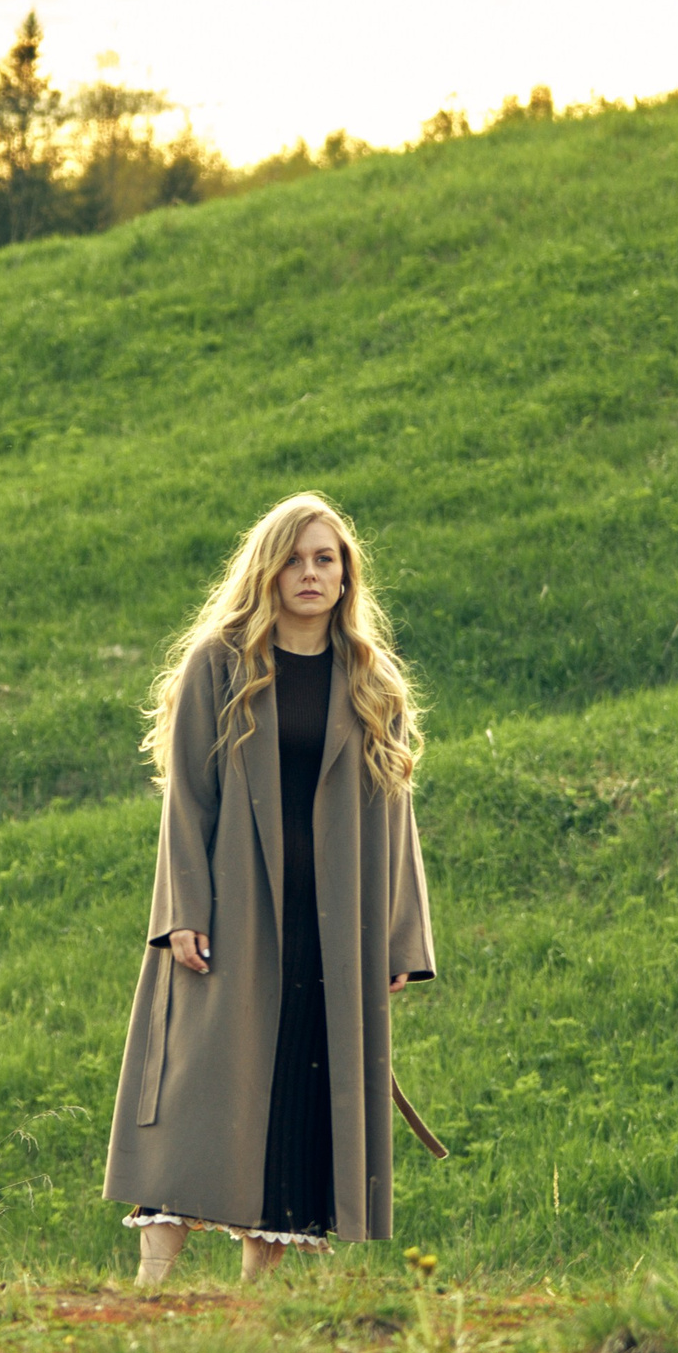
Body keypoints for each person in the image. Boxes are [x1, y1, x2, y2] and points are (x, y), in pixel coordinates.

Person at [104, 491, 441, 1285]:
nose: (310, 572)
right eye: (294, 557)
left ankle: (255, 1312)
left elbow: (396, 813)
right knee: (193, 1092)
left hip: (330, 924)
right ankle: (149, 1291)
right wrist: (182, 910)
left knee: (297, 1091)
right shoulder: (218, 663)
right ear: (268, 568)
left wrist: (399, 936)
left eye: (326, 558)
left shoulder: (370, 679)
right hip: (229, 911)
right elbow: (187, 794)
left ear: (346, 574)